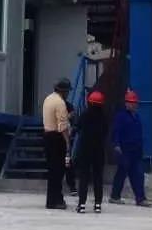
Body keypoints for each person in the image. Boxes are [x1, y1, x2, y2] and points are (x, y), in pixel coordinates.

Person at [108, 88, 152, 207]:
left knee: (138, 174)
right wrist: (116, 145)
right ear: (126, 103)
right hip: (125, 150)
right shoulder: (121, 116)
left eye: (133, 103)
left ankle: (140, 198)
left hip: (136, 150)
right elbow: (116, 131)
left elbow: (139, 133)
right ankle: (115, 196)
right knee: (122, 173)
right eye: (130, 102)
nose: (132, 105)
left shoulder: (136, 117)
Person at [74, 89, 108, 212]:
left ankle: (82, 204)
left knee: (84, 177)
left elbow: (77, 128)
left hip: (85, 150)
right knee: (98, 177)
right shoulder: (103, 117)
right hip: (98, 151)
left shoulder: (84, 115)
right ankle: (98, 205)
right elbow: (105, 132)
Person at [42, 77, 72, 210]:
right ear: (63, 91)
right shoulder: (60, 103)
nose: (68, 94)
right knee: (58, 171)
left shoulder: (48, 99)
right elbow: (62, 126)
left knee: (52, 171)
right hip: (57, 138)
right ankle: (56, 200)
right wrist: (68, 143)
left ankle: (52, 200)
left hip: (47, 136)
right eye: (67, 91)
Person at [64, 97, 78, 197]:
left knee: (68, 164)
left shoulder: (68, 105)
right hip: (57, 140)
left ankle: (72, 186)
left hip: (66, 142)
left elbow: (73, 117)